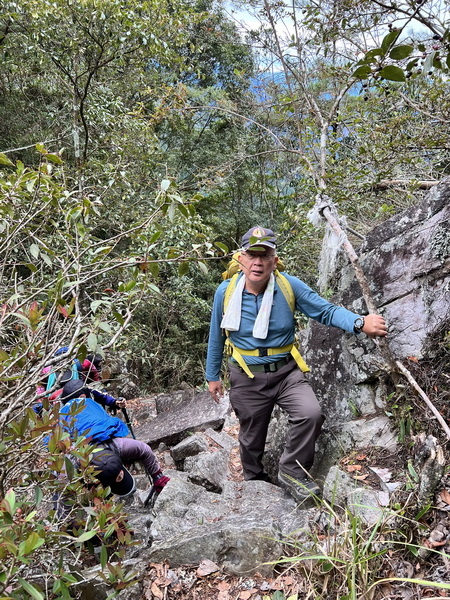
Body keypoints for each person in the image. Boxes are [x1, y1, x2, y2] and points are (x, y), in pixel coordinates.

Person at [205, 226, 387, 502]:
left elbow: (324, 310)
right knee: (251, 436)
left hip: (286, 371)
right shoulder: (226, 292)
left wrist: (360, 323)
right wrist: (212, 375)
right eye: (252, 255)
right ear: (240, 259)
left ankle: (292, 471)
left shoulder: (288, 286)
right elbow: (216, 335)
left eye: (264, 255)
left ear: (274, 260)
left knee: (310, 413)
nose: (258, 262)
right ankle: (254, 482)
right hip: (246, 375)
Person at [58, 379, 170, 497]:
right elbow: (145, 449)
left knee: (63, 480)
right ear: (82, 396)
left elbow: (54, 443)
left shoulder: (60, 414)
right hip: (109, 442)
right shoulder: (88, 400)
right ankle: (159, 479)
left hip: (82, 453)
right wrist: (114, 402)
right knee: (143, 448)